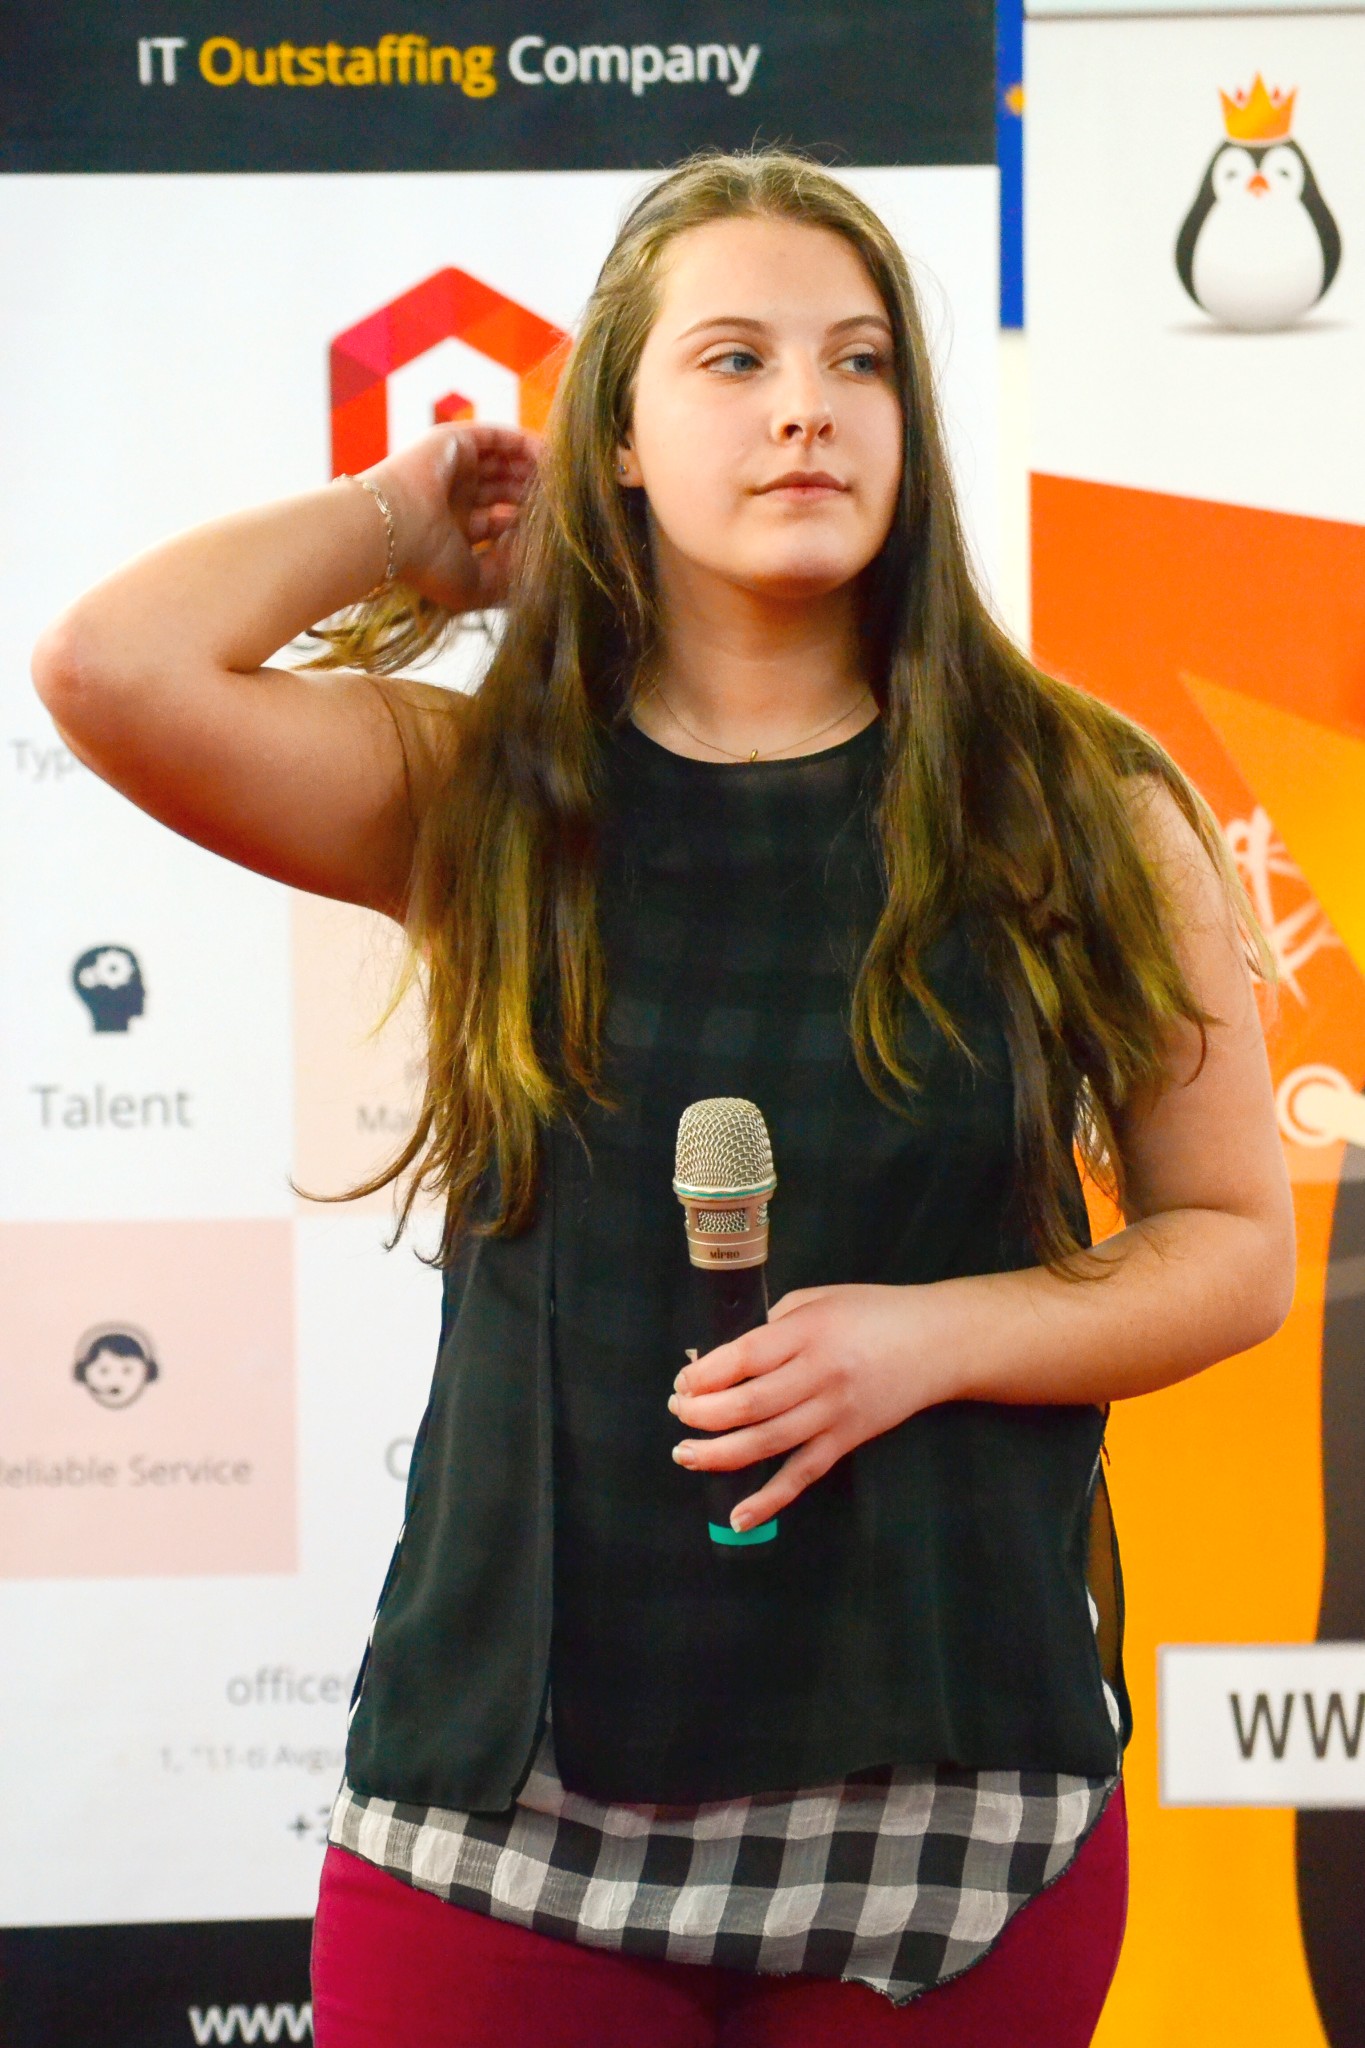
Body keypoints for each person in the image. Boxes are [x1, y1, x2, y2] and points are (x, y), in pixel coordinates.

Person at [32, 148, 1295, 2046]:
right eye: (731, 359)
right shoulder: (492, 794)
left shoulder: (1075, 804)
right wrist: (403, 514)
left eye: (858, 360)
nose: (805, 407)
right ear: (611, 439)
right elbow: (108, 668)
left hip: (947, 1805)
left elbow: (1231, 1247)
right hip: (506, 1808)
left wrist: (929, 1339)